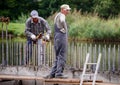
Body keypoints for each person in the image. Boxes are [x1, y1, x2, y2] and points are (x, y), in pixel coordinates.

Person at [45, 4, 71, 78]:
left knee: (57, 56)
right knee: (62, 56)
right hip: (61, 36)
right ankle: (59, 74)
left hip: (56, 37)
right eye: (67, 10)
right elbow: (62, 21)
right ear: (62, 9)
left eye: (68, 10)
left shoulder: (57, 15)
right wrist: (65, 29)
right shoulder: (62, 15)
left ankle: (52, 74)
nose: (68, 11)